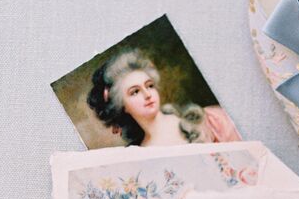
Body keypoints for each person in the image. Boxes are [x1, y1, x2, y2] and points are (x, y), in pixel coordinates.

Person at [87, 49, 240, 146]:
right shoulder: (142, 155)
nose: (147, 94)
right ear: (122, 106)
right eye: (135, 92)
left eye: (149, 86)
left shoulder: (211, 120)